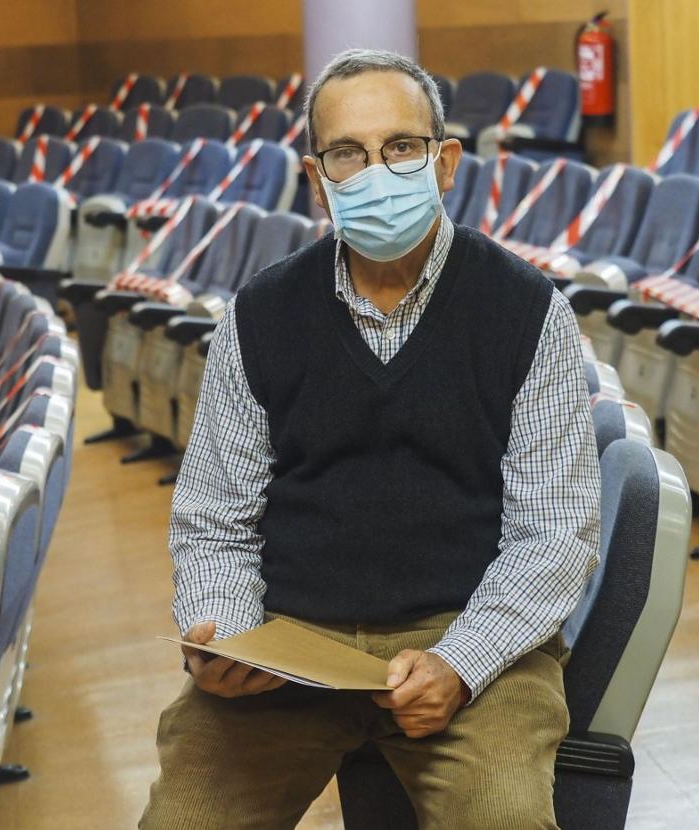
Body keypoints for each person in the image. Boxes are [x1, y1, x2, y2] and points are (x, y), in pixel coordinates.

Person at [141, 48, 600, 830]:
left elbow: (553, 535)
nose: (377, 172)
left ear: (446, 162)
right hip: (292, 641)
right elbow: (214, 515)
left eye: (402, 148)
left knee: (505, 819)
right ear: (317, 181)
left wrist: (459, 663)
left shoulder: (525, 311)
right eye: (348, 154)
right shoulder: (260, 315)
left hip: (469, 632)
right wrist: (225, 636)